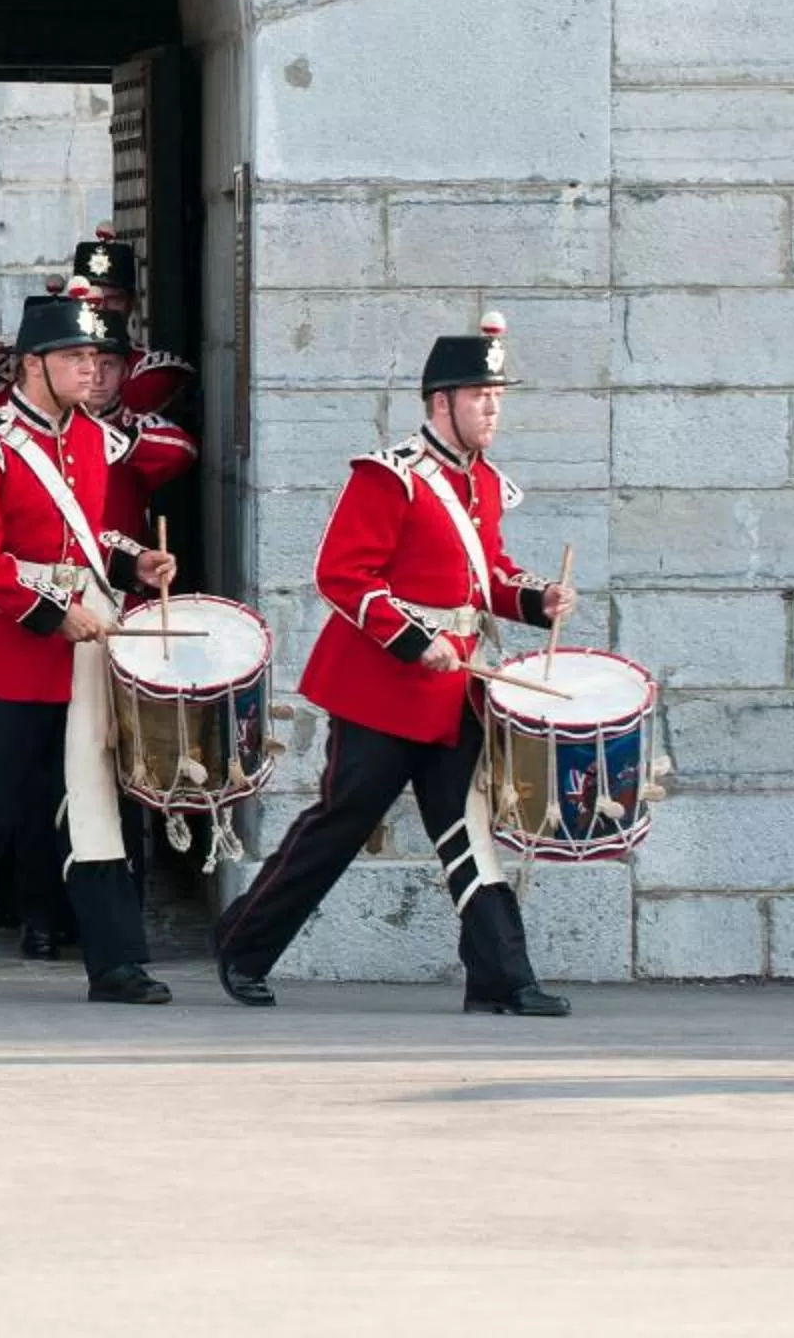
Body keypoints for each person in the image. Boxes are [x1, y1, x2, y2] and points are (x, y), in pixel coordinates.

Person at [211, 313, 577, 1017]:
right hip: (382, 689)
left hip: (456, 691)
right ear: (440, 403)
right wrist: (414, 641)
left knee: (467, 830)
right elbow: (342, 575)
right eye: (480, 396)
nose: (494, 407)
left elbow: (486, 576)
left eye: (498, 395)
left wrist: (538, 598)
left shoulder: (486, 484)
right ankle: (243, 946)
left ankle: (503, 978)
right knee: (338, 825)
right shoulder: (390, 477)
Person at [0, 284, 176, 1008]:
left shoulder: (91, 437)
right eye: (76, 356)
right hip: (10, 653)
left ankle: (116, 962)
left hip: (78, 649)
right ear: (31, 366)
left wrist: (131, 560)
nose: (93, 369)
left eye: (96, 355)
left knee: (93, 799)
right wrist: (54, 616)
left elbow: (81, 541)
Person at [69, 227, 192, 417]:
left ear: (132, 303)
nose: (102, 308)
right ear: (73, 302)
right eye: (91, 299)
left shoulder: (150, 373)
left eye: (114, 299)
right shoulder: (48, 361)